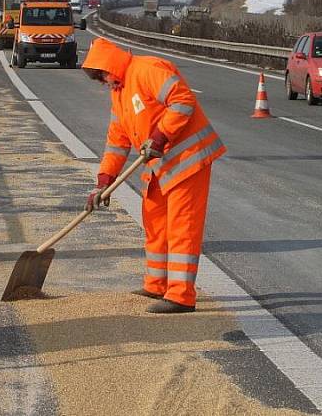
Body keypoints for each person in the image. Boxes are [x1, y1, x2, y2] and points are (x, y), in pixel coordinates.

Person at [81, 37, 225, 313]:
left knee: (182, 227)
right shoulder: (119, 92)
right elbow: (117, 142)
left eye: (102, 76)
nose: (103, 83)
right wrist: (104, 181)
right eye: (99, 79)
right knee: (155, 221)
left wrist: (159, 137)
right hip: (160, 164)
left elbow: (183, 101)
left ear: (110, 66)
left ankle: (181, 295)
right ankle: (156, 284)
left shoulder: (145, 69)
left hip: (188, 158)